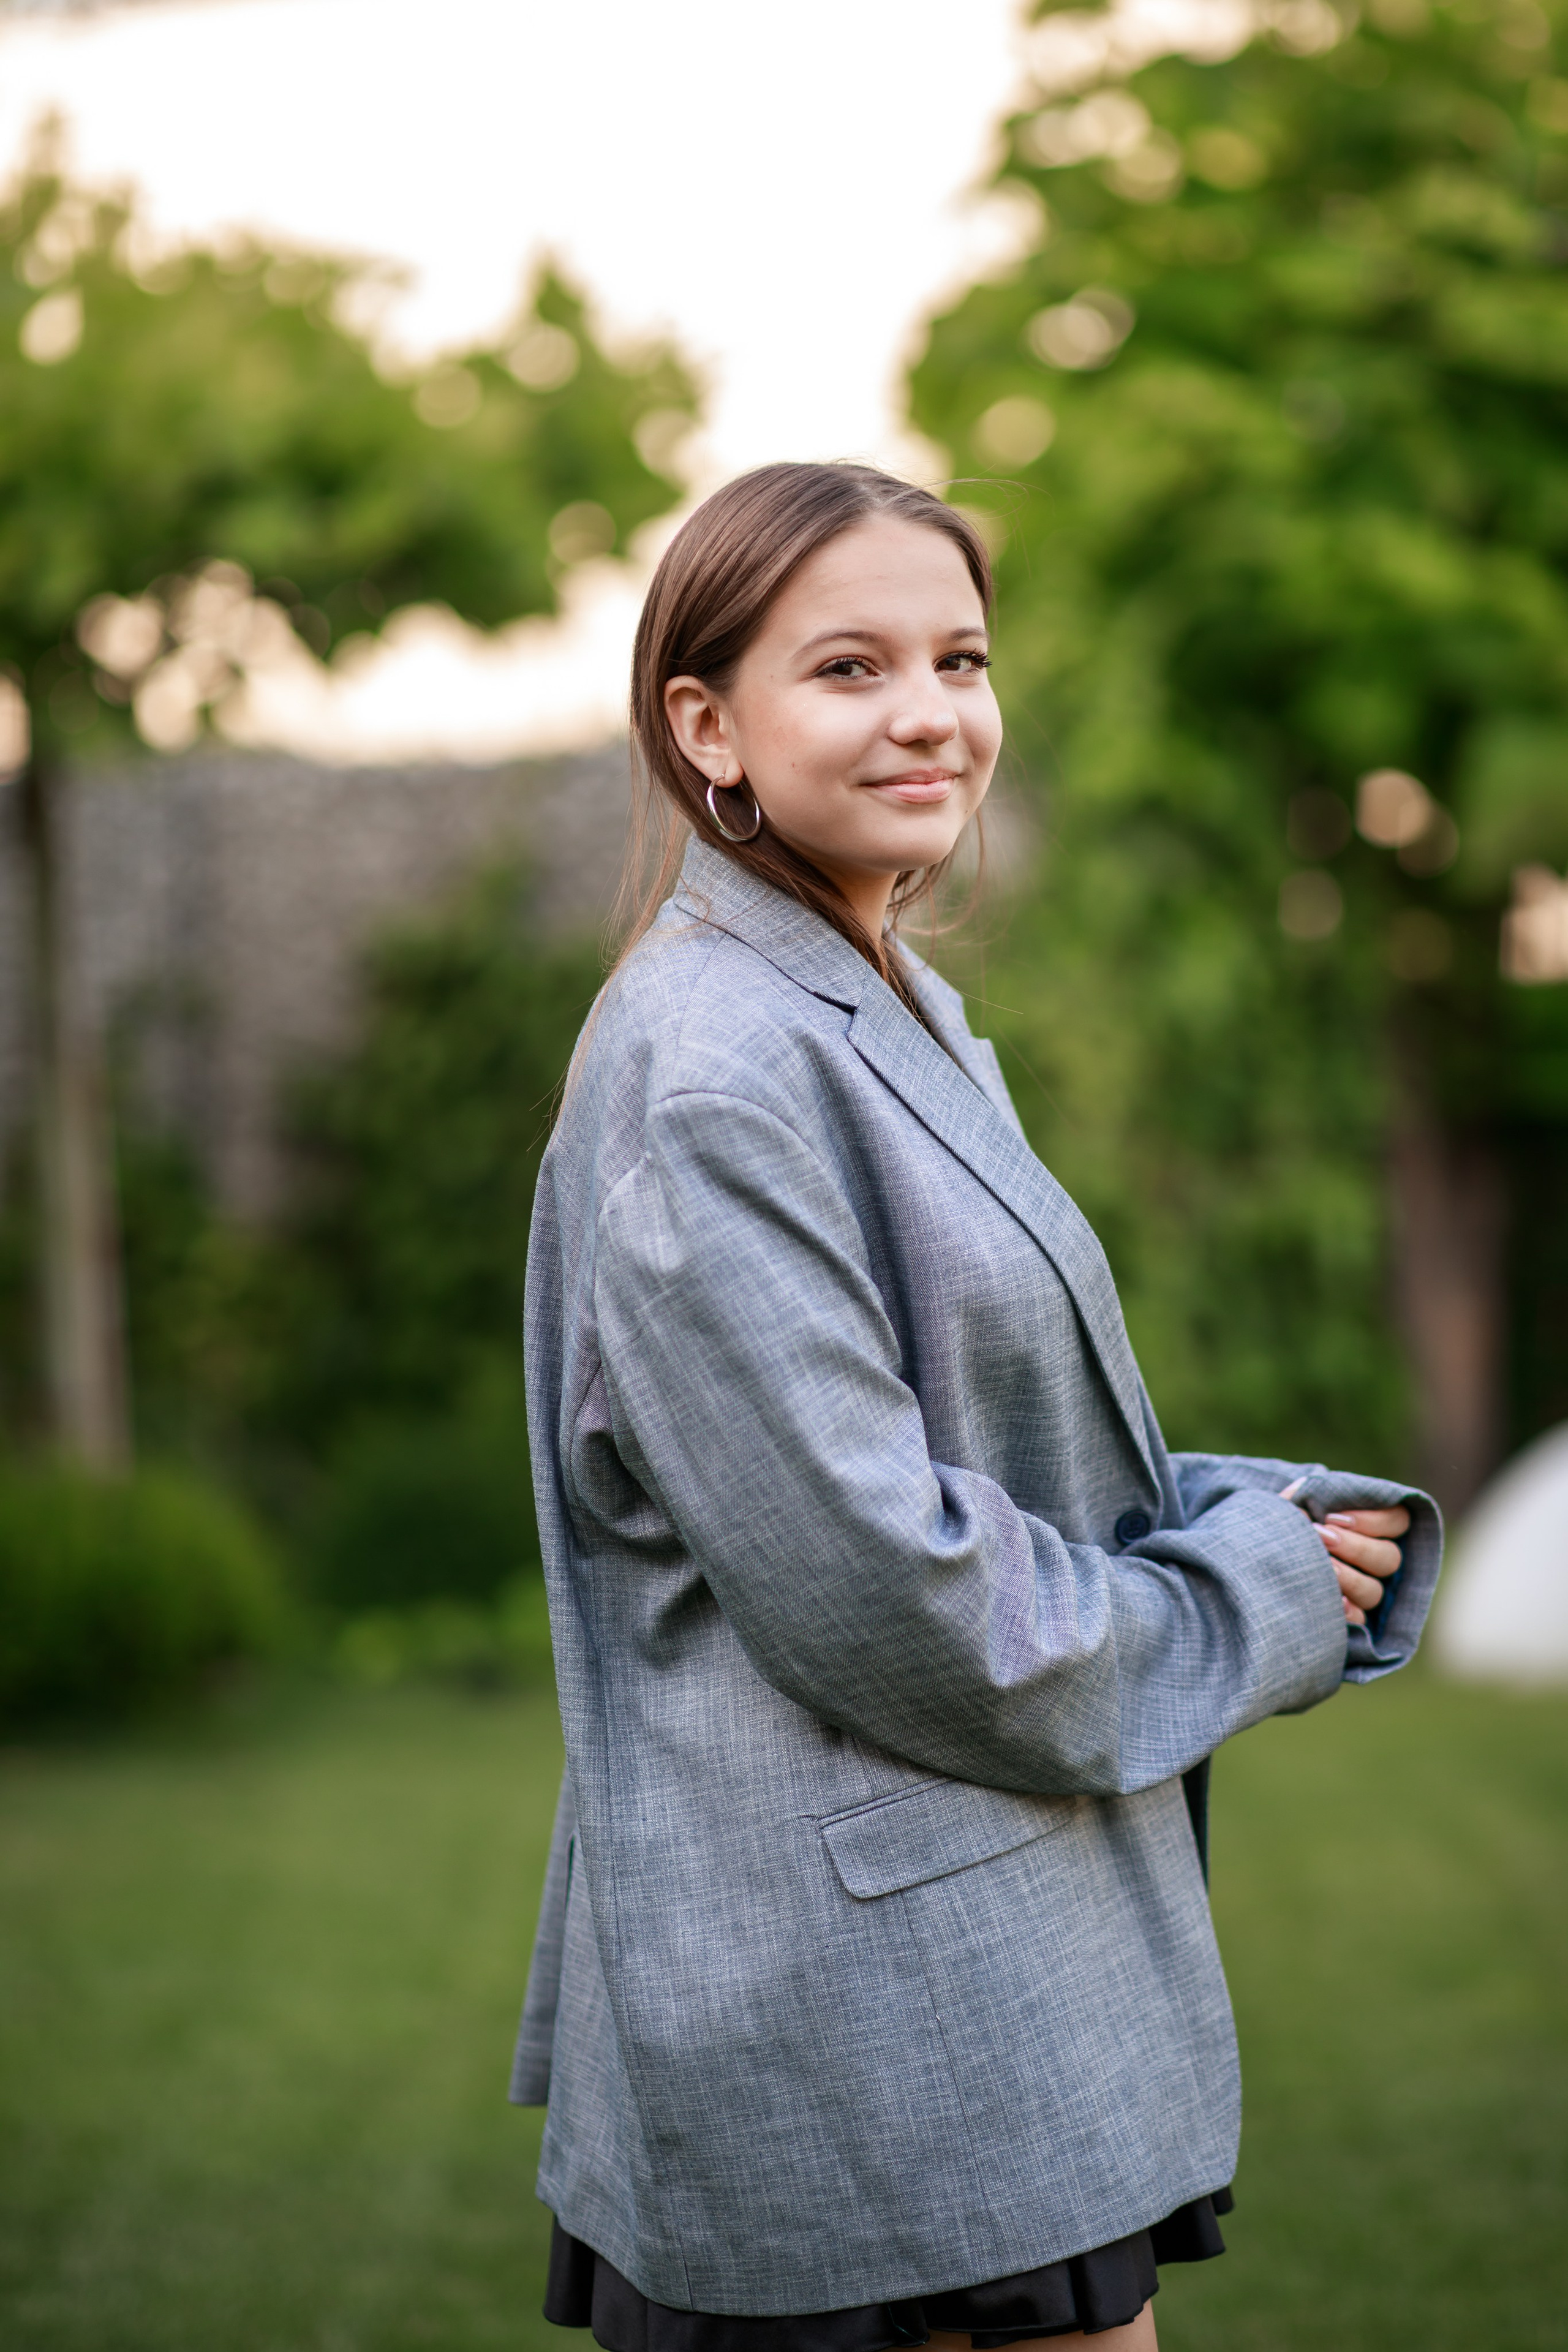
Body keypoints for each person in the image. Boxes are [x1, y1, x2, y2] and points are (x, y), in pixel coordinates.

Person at [511, 462, 1442, 2351]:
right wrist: (1247, 1598)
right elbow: (890, 1586)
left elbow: (956, 1446)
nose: (932, 711)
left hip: (975, 1976)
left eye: (961, 656)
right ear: (709, 725)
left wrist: (1240, 1510)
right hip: (869, 2027)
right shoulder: (711, 1075)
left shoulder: (883, 998)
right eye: (850, 666)